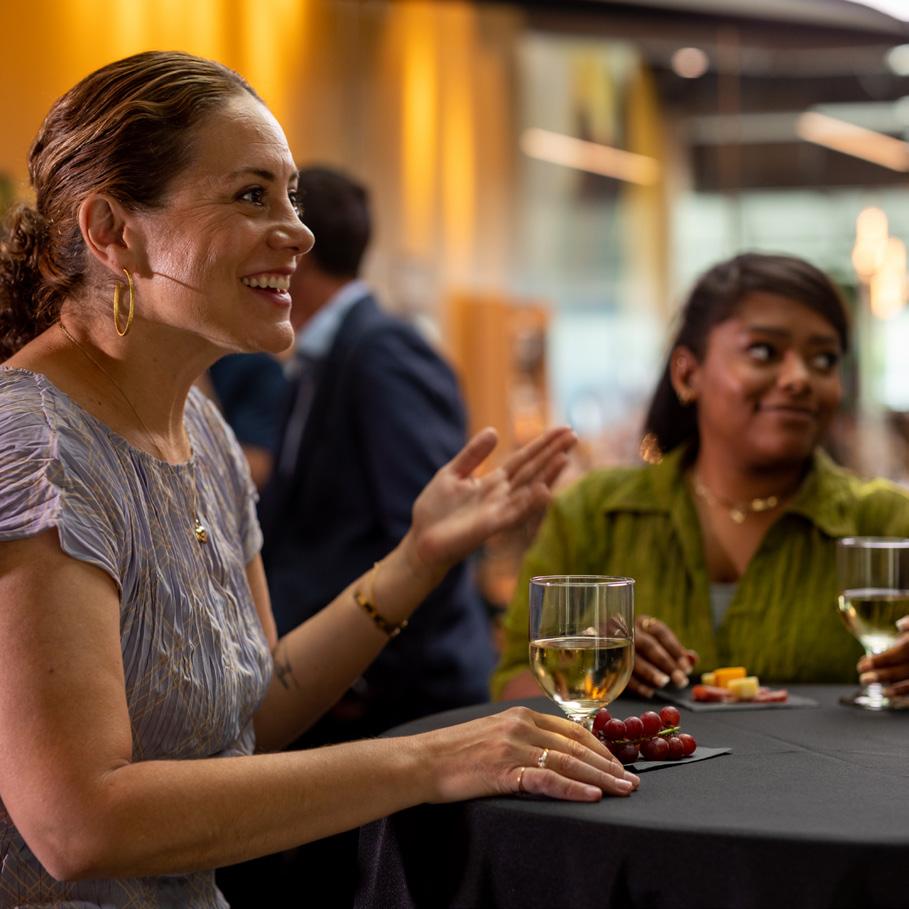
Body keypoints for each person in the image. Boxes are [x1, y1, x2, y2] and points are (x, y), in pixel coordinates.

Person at [0, 51, 639, 909]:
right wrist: (430, 758)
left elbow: (251, 716)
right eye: (250, 195)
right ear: (113, 231)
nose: (298, 232)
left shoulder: (204, 432)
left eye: (290, 195)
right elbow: (78, 824)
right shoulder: (30, 446)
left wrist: (417, 556)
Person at [493, 252, 909, 702]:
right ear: (688, 374)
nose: (799, 379)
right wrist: (589, 668)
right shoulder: (594, 514)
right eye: (764, 351)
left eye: (824, 360)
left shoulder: (886, 522)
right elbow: (511, 687)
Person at [259, 165, 494, 743]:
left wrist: (362, 679)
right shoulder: (318, 356)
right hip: (333, 690)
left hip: (396, 704)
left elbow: (433, 533)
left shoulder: (384, 352)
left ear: (299, 249)